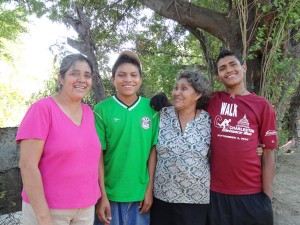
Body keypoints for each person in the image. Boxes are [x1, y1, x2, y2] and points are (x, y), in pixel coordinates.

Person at [17, 54, 101, 225]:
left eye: (87, 75)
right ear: (61, 78)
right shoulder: (42, 110)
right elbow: (27, 165)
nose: (82, 80)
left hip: (85, 208)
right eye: (74, 73)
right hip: (49, 210)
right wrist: (43, 217)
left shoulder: (89, 113)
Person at [206, 49, 277, 225]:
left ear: (243, 67)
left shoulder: (262, 105)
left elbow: (268, 153)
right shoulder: (211, 101)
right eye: (222, 68)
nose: (228, 70)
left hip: (251, 194)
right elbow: (185, 103)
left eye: (233, 64)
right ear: (218, 76)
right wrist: (163, 103)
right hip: (215, 193)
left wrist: (266, 198)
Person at [93, 50, 159, 225]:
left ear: (140, 79)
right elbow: (98, 154)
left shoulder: (151, 110)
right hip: (110, 195)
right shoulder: (101, 110)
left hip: (139, 195)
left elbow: (153, 152)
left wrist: (149, 189)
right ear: (113, 79)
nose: (128, 79)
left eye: (133, 75)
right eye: (121, 75)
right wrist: (102, 195)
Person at [150, 70, 211, 225]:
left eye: (183, 89)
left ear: (197, 95)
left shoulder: (208, 120)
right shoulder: (162, 114)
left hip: (196, 200)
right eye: (176, 88)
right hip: (162, 197)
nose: (176, 92)